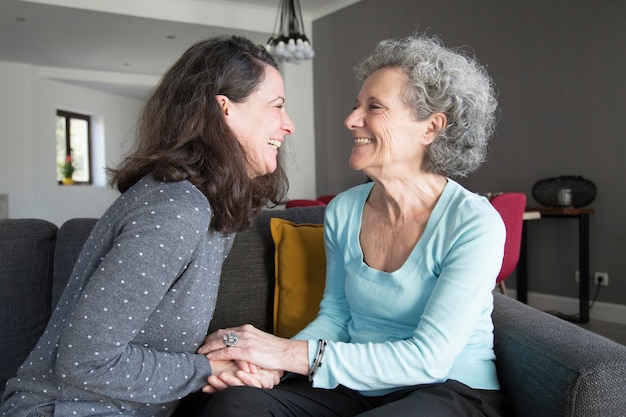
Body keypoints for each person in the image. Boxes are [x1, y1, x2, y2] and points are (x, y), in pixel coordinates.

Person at [195, 34, 511, 417]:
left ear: (431, 127)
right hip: (356, 383)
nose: (350, 120)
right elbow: (337, 318)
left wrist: (283, 351)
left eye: (374, 106)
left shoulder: (473, 223)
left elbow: (429, 358)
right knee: (234, 404)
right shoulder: (344, 211)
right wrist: (267, 366)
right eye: (355, 105)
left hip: (449, 390)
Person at [0, 35, 295, 417]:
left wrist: (228, 351)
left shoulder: (209, 212)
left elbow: (151, 338)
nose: (288, 125)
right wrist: (206, 369)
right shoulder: (174, 209)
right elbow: (85, 363)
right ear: (225, 109)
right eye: (277, 106)